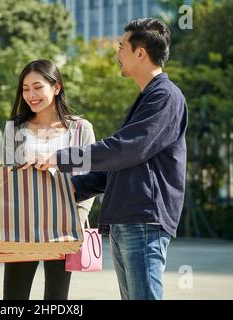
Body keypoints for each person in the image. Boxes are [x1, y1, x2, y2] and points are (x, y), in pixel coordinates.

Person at [35, 18, 188, 300]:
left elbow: (124, 149)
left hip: (144, 218)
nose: (117, 54)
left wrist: (61, 158)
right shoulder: (147, 98)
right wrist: (72, 189)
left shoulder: (165, 96)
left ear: (140, 52)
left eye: (121, 47)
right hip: (129, 218)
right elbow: (120, 164)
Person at [2, 59, 96, 300]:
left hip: (64, 224)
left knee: (57, 297)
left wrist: (79, 219)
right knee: (14, 297)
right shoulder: (15, 128)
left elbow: (90, 178)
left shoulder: (80, 129)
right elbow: (6, 178)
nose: (30, 95)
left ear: (56, 87)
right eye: (25, 89)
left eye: (37, 87)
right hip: (22, 225)